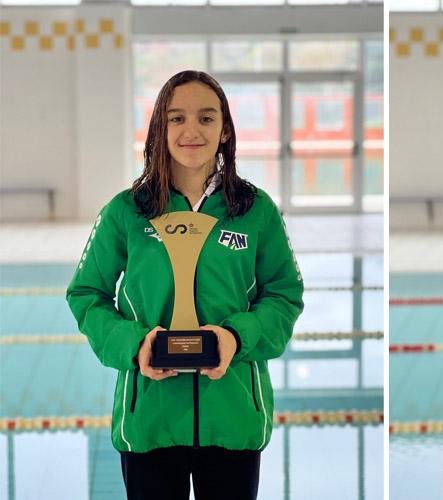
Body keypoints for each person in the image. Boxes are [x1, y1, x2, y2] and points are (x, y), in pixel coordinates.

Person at [66, 70, 304, 500]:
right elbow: (86, 294)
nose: (191, 130)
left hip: (232, 413)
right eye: (176, 118)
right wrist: (134, 345)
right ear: (161, 128)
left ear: (225, 130)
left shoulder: (255, 210)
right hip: (150, 417)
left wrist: (236, 337)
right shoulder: (127, 212)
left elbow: (284, 295)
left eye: (206, 118)